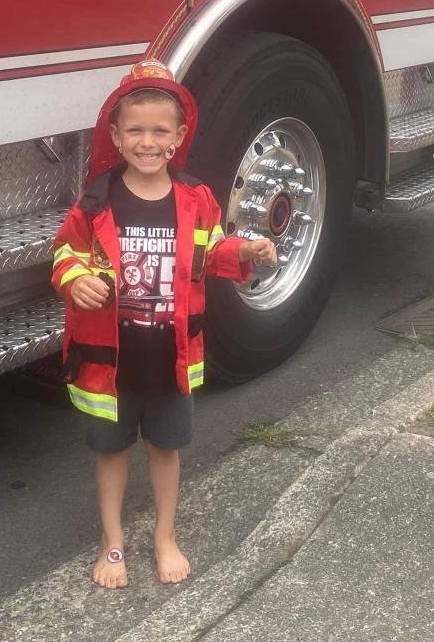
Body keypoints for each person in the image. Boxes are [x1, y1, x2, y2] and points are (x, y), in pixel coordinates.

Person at [52, 60, 277, 589]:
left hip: (170, 360)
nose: (147, 141)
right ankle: (112, 545)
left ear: (179, 136)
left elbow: (213, 251)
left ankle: (164, 536)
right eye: (135, 130)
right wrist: (75, 278)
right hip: (109, 366)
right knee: (109, 452)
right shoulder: (95, 200)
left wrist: (244, 248)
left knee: (165, 449)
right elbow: (65, 251)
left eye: (159, 130)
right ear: (115, 135)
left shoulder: (196, 200)